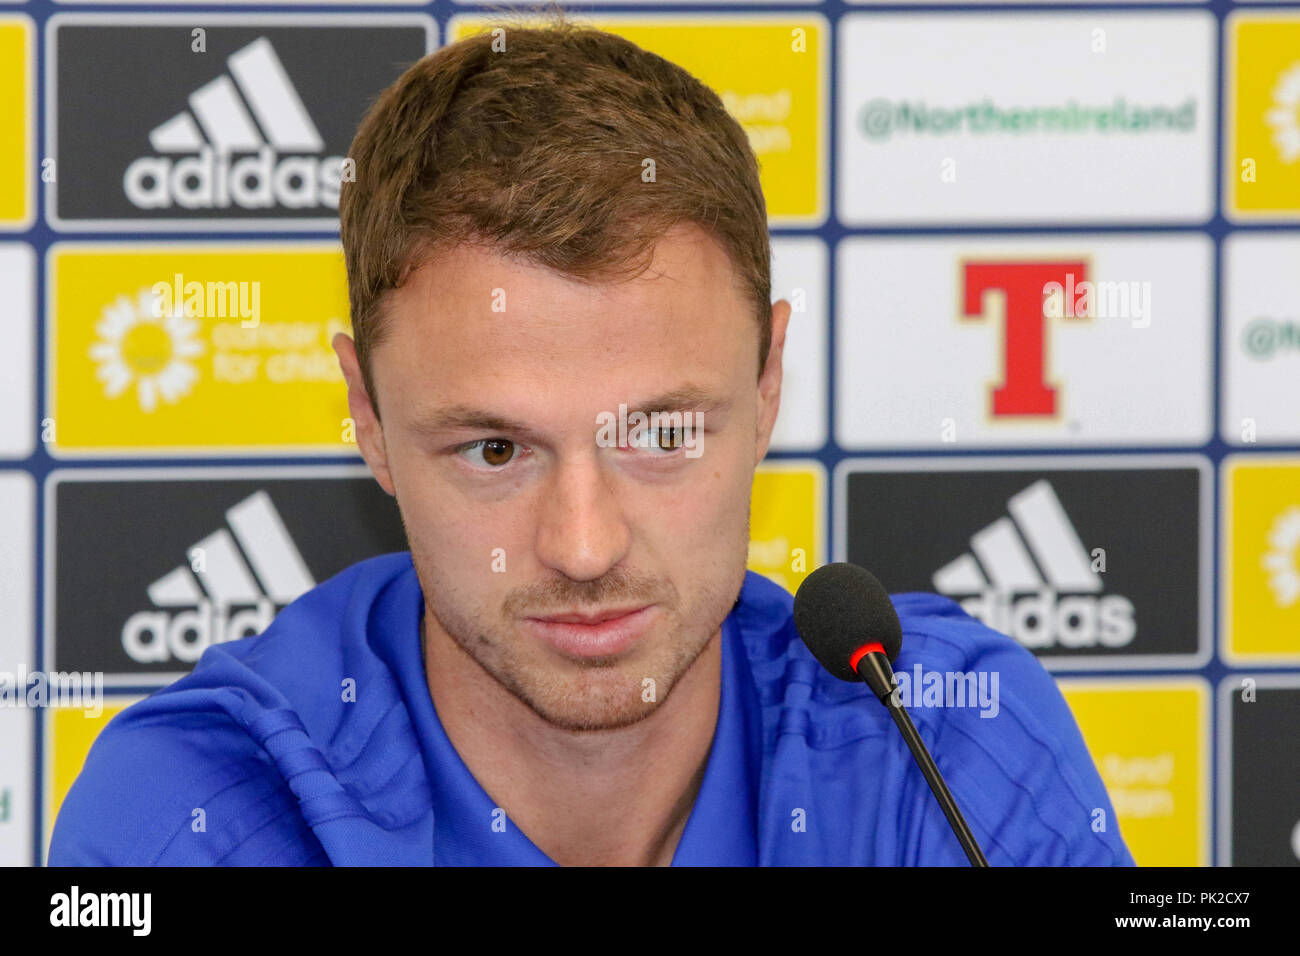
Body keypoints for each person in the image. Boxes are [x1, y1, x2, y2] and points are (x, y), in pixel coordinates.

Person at [49, 19, 1134, 866]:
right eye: (493, 451)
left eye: (660, 432)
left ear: (766, 387)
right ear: (366, 421)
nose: (581, 544)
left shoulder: (935, 743)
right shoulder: (197, 812)